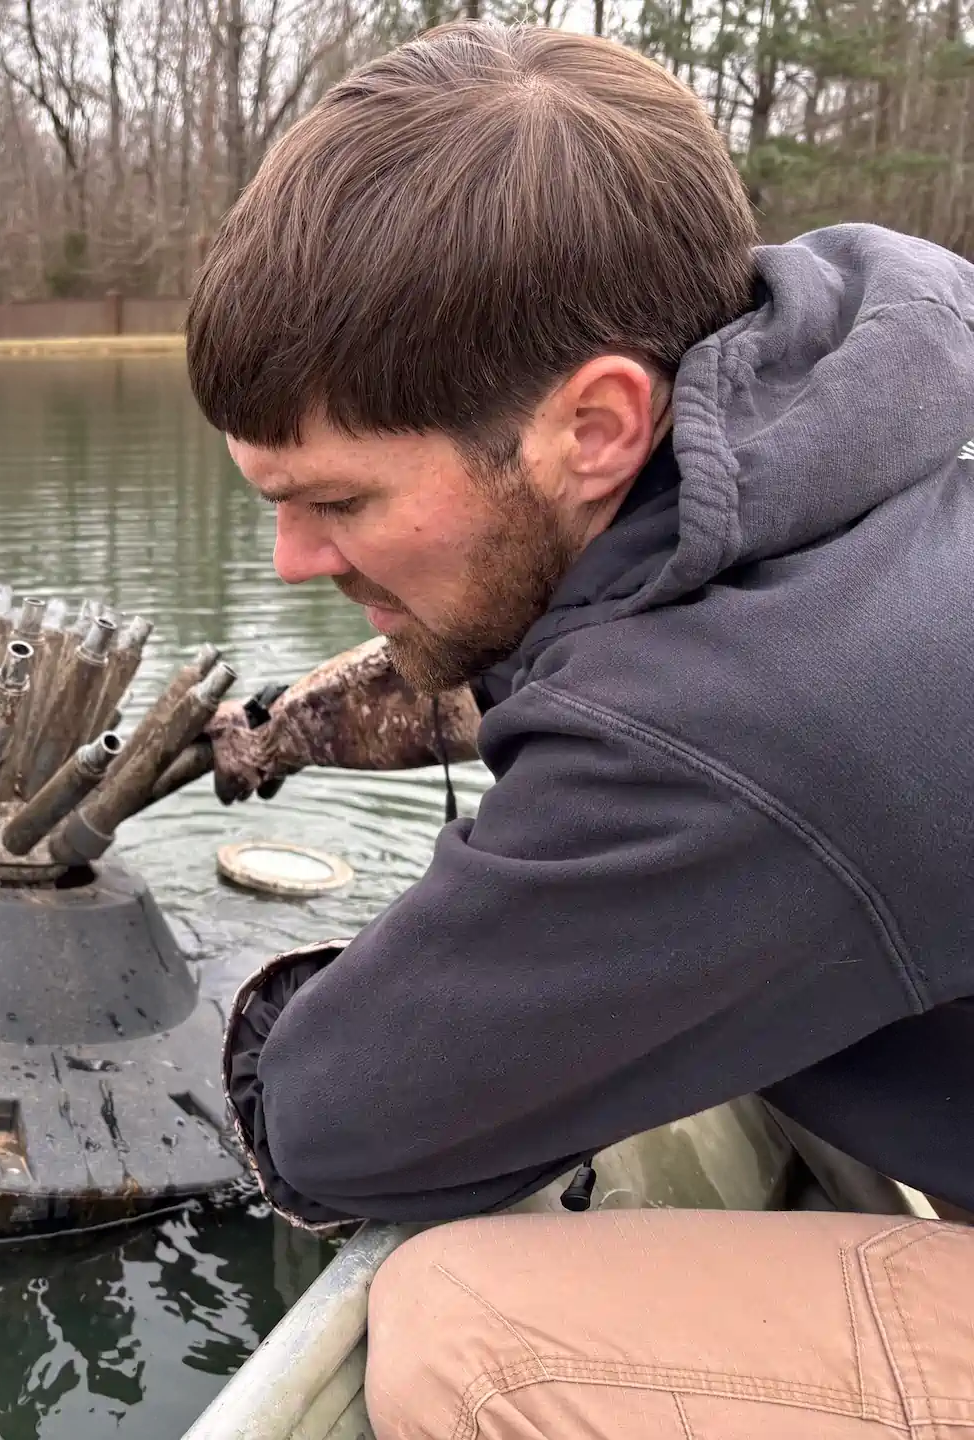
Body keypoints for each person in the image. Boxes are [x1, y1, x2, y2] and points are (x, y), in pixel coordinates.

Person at [184, 20, 974, 1439]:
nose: (297, 562)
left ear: (599, 426)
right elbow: (585, 649)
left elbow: (339, 1124)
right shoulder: (877, 433)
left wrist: (290, 1004)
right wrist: (292, 727)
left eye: (343, 502)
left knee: (465, 1336)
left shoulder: (758, 720)